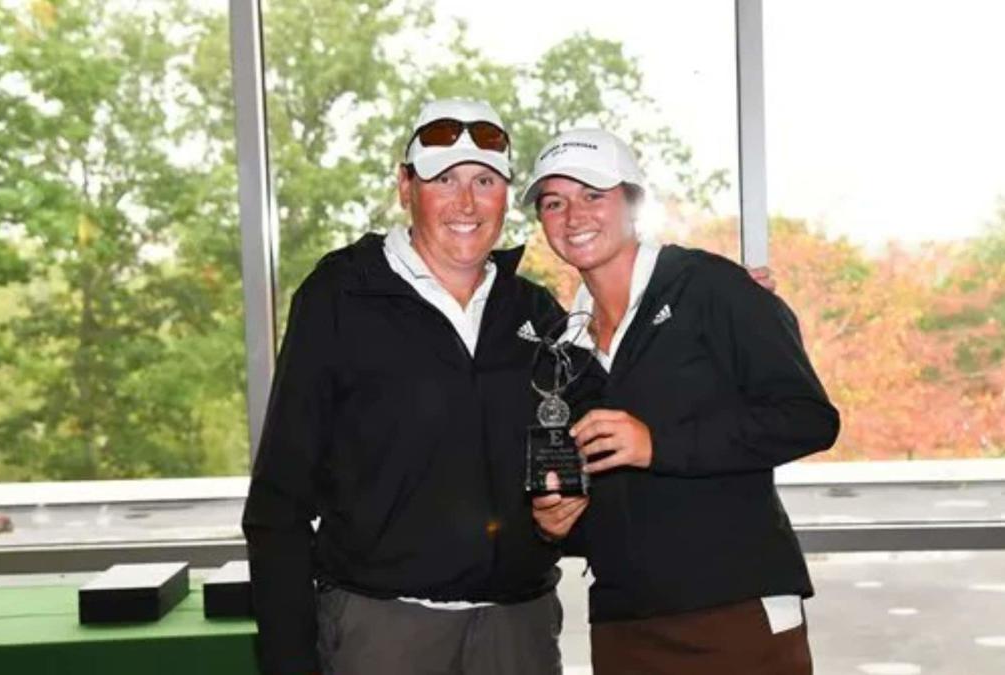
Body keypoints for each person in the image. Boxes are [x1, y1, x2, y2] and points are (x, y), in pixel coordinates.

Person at [243, 99, 573, 675]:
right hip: (384, 633)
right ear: (404, 187)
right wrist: (288, 658)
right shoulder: (341, 296)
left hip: (518, 632)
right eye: (444, 179)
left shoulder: (534, 311)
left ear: (505, 195)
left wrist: (722, 306)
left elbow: (606, 419)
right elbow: (278, 500)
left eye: (485, 180)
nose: (466, 202)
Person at [525, 128, 840, 675]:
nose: (574, 216)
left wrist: (658, 443)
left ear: (634, 202)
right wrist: (557, 526)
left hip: (735, 609)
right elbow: (611, 496)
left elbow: (808, 419)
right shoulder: (562, 347)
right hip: (625, 623)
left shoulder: (712, 288)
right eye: (555, 203)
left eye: (593, 196)